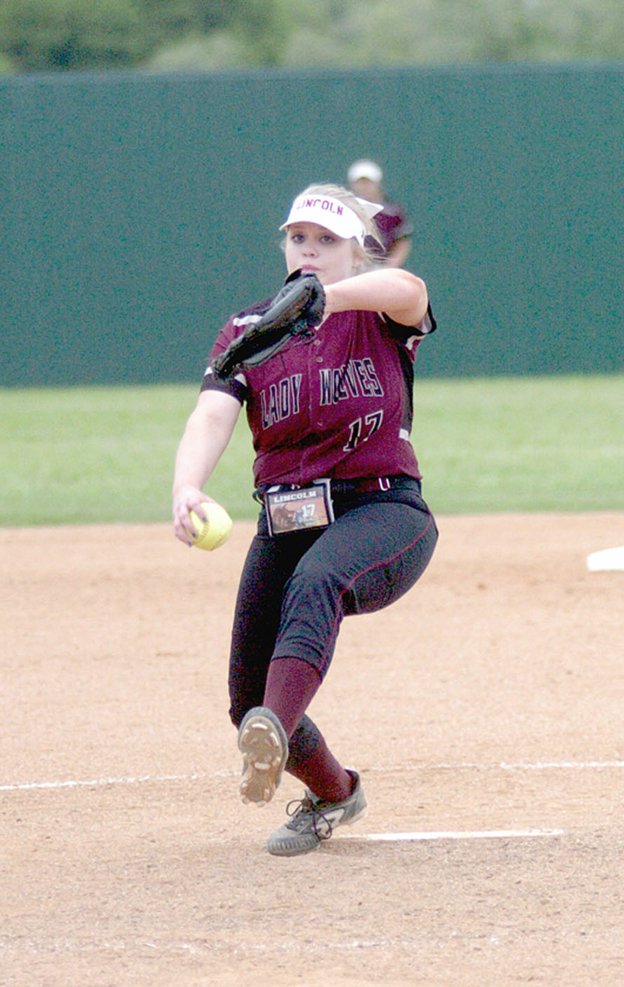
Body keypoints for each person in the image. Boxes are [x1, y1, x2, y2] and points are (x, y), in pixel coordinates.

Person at [172, 183, 438, 857]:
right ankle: (333, 791)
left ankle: (273, 725)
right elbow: (211, 413)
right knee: (244, 700)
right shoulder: (248, 328)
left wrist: (331, 297)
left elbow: (410, 290)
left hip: (382, 508)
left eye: (327, 241)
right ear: (284, 246)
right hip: (286, 519)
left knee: (315, 582)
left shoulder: (375, 310)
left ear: (358, 251)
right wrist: (187, 486)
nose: (310, 251)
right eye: (299, 239)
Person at [347, 159, 414, 268]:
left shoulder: (393, 212)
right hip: (351, 267)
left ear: (377, 183)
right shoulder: (344, 210)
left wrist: (389, 267)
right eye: (359, 182)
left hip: (380, 268)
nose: (364, 186)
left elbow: (403, 241)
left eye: (368, 182)